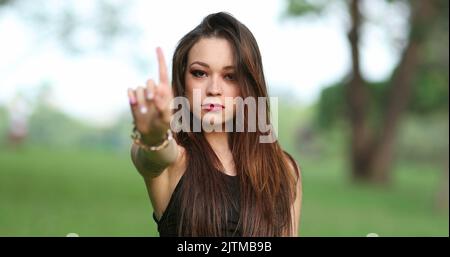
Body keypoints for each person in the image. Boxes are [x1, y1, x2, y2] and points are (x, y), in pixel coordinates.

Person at [127, 12, 302, 236]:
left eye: (230, 76)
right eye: (200, 73)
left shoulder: (284, 170)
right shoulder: (175, 159)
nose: (214, 89)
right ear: (183, 80)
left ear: (248, 85)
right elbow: (154, 158)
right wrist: (154, 136)